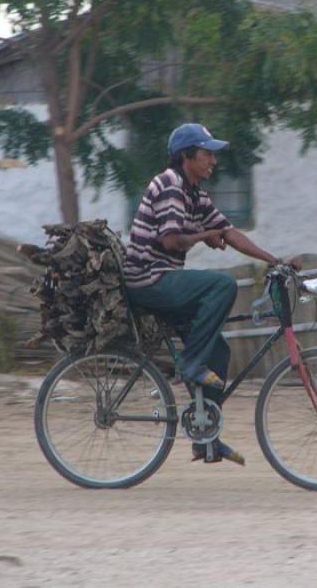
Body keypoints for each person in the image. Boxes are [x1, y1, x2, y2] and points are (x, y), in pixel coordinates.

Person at [124, 122, 300, 466]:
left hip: (164, 279)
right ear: (187, 156)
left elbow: (229, 232)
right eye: (207, 154)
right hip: (147, 280)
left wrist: (274, 260)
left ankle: (206, 438)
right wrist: (205, 235)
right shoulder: (171, 185)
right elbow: (170, 240)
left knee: (218, 352)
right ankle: (190, 363)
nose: (213, 162)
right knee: (222, 286)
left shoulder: (195, 193)